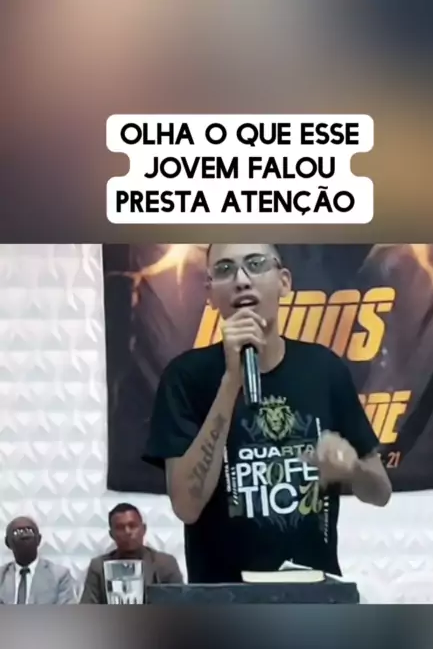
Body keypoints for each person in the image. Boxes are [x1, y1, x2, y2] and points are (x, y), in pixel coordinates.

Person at [143, 244, 392, 584]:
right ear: (210, 294)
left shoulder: (324, 369)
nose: (241, 280)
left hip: (312, 595)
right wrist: (231, 382)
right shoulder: (184, 377)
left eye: (256, 264)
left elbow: (380, 492)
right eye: (225, 269)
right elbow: (187, 506)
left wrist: (353, 469)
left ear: (284, 282)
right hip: (223, 599)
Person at [80, 502, 182, 603]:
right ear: (112, 534)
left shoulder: (165, 564)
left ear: (143, 529)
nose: (127, 532)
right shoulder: (99, 567)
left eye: (132, 526)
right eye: (120, 528)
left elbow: (180, 605)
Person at [0, 516, 76, 604]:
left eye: (29, 532)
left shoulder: (59, 576)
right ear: (8, 542)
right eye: (18, 533)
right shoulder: (2, 575)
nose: (24, 535)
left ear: (38, 539)